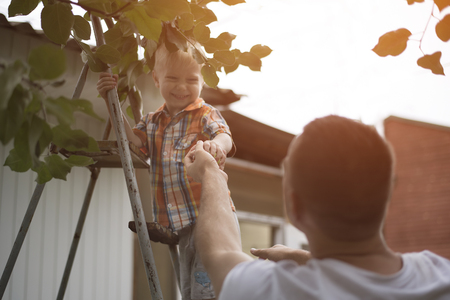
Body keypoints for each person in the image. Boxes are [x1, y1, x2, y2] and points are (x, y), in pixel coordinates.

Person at [185, 115, 450, 300]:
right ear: (389, 196)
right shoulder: (440, 276)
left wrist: (210, 171)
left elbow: (219, 253)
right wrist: (304, 257)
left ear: (295, 207)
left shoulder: (273, 291)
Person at [97, 43, 236, 300]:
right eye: (172, 78)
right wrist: (111, 101)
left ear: (202, 82)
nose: (182, 87)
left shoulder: (205, 114)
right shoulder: (152, 121)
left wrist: (216, 146)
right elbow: (134, 142)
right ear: (156, 78)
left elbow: (223, 134)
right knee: (189, 289)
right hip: (183, 225)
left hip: (212, 217)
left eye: (191, 80)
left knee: (207, 291)